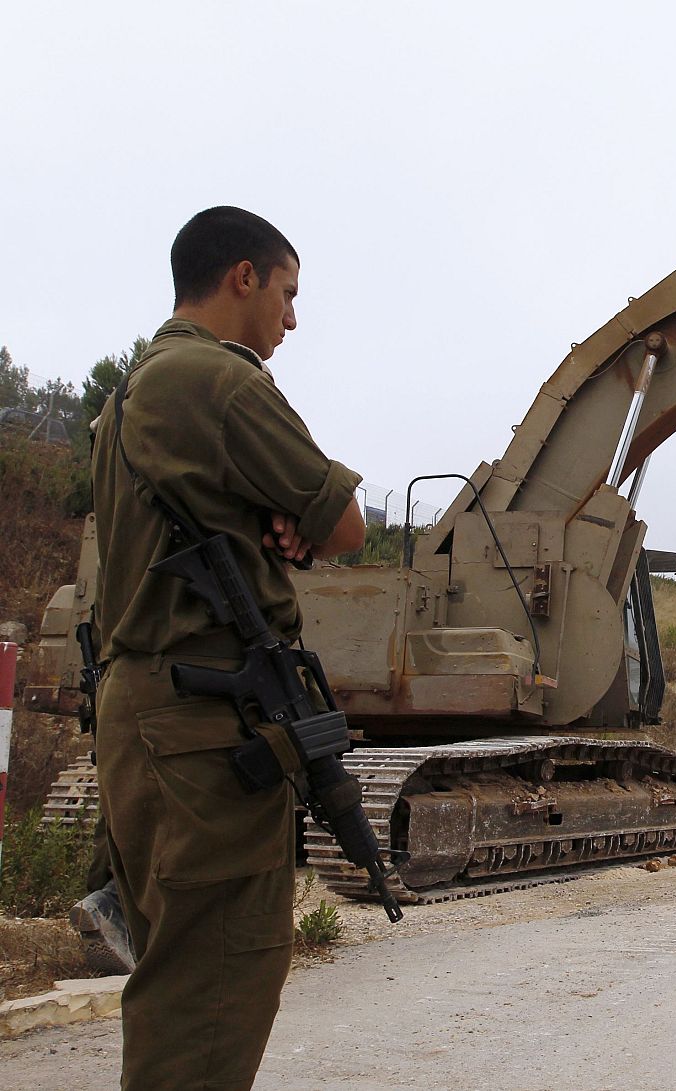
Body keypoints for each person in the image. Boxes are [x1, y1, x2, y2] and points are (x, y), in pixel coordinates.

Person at [91, 206, 366, 1089]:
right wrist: (298, 525)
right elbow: (348, 525)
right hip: (207, 731)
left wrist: (271, 522)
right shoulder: (223, 384)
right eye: (287, 292)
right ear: (242, 276)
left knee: (174, 979)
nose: (293, 317)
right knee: (216, 988)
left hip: (140, 715)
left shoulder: (127, 395)